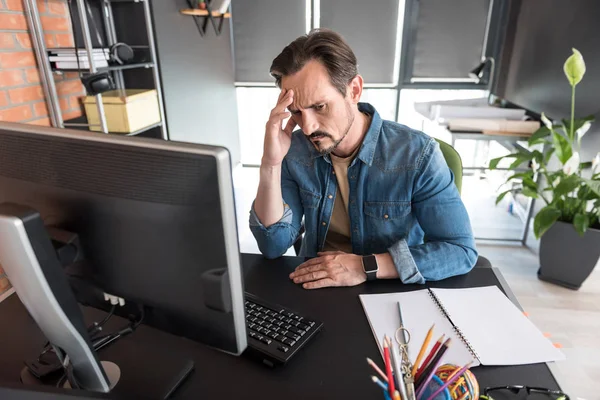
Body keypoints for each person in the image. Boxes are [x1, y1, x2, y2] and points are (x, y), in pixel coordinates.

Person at [249, 29, 477, 289]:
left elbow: (459, 250)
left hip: (390, 289)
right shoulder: (295, 150)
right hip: (317, 287)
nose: (309, 127)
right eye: (296, 113)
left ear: (354, 90)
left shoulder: (417, 154)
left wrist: (364, 265)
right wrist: (271, 164)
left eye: (320, 107)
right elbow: (272, 246)